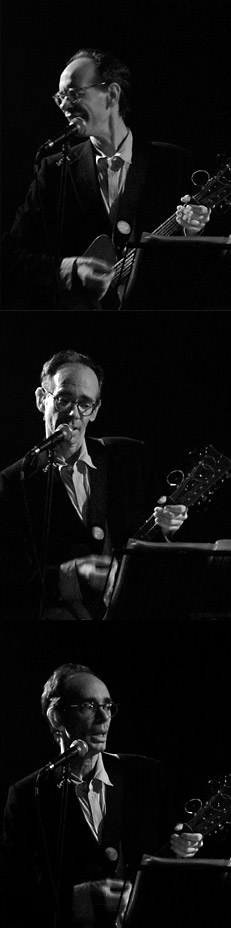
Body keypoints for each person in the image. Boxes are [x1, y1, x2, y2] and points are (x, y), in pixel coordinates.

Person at [2, 48, 211, 312]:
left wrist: (193, 229)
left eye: (73, 94)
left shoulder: (172, 162)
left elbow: (198, 271)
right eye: (60, 97)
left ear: (111, 94)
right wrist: (67, 268)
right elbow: (8, 256)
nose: (65, 106)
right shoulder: (54, 169)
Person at [1, 663, 204, 928]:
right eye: (88, 706)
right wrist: (82, 898)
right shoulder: (28, 794)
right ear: (56, 717)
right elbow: (15, 893)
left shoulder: (145, 775)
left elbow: (171, 863)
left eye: (107, 706)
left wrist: (185, 848)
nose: (104, 717)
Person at [0, 348, 187, 621]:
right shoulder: (13, 482)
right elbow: (9, 581)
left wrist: (169, 529)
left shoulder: (129, 458)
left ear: (95, 410)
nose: (73, 414)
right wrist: (70, 575)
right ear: (42, 400)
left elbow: (157, 548)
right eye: (64, 399)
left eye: (85, 403)